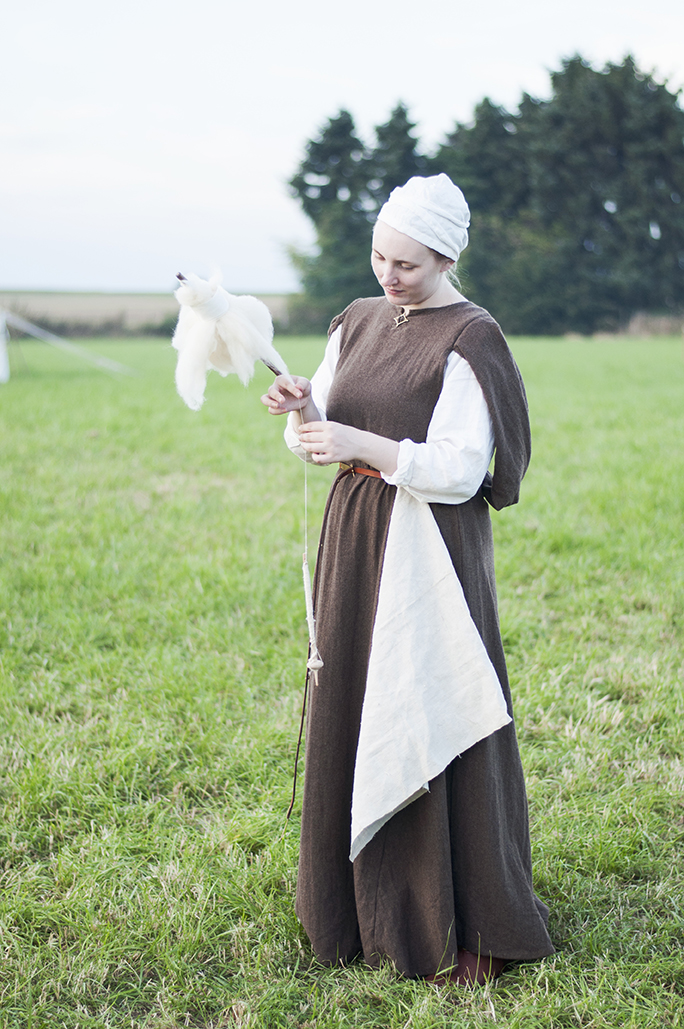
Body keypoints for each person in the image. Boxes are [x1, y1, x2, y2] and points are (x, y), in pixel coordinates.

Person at [261, 174, 554, 985]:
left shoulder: (471, 337)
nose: (388, 275)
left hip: (432, 543)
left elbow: (459, 469)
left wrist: (361, 440)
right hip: (356, 536)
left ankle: (466, 917)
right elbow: (318, 434)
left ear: (447, 259)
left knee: (439, 698)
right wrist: (302, 409)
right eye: (379, 257)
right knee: (358, 697)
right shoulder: (356, 319)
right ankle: (358, 908)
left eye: (408, 264)